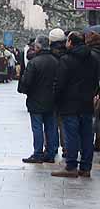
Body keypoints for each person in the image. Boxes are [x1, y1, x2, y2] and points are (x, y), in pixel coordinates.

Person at [51, 31, 99, 179]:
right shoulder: (93, 58)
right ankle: (85, 167)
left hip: (69, 103)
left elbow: (60, 83)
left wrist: (56, 99)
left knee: (71, 135)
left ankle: (71, 166)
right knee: (87, 136)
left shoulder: (66, 59)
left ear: (70, 42)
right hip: (86, 103)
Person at [18, 35, 59, 164]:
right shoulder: (56, 61)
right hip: (52, 99)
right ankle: (51, 153)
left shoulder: (34, 62)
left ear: (38, 47)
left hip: (36, 99)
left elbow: (26, 82)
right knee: (51, 127)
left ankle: (38, 153)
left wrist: (22, 89)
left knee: (37, 127)